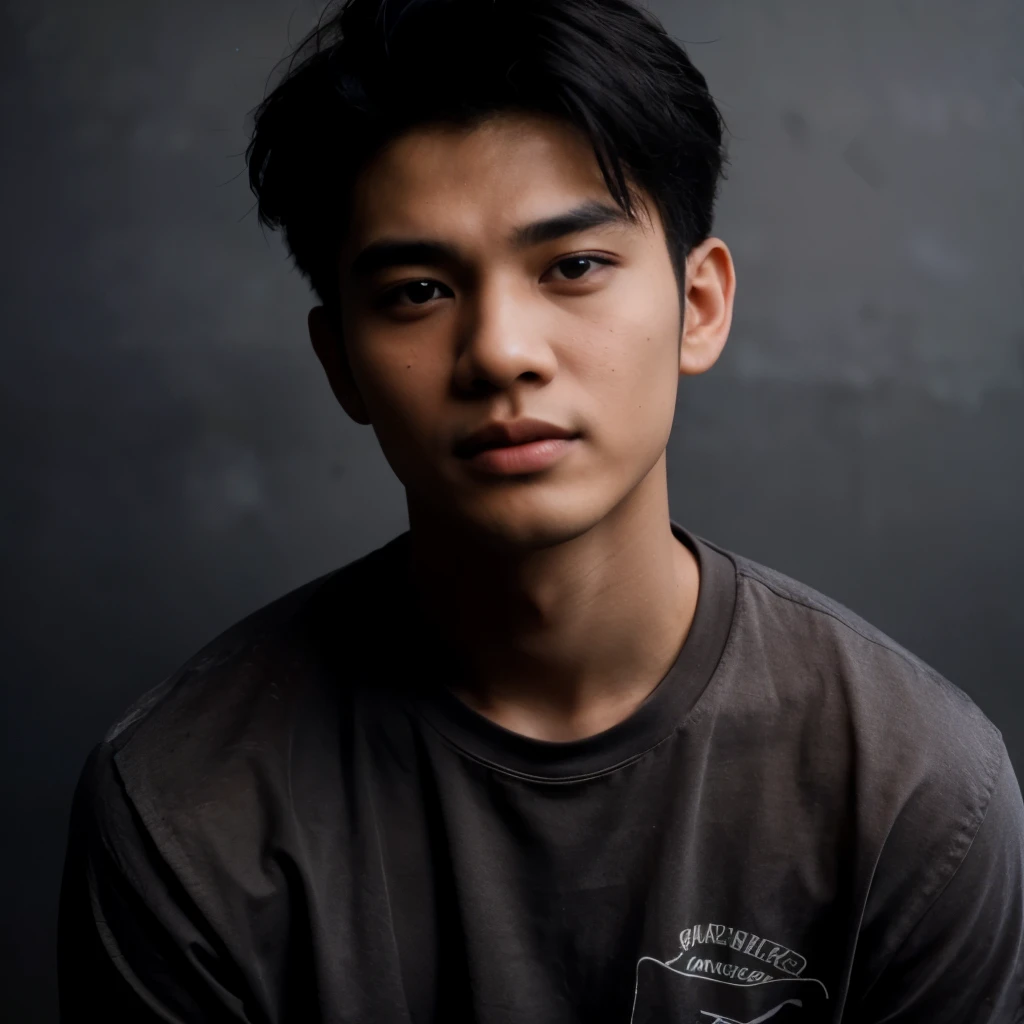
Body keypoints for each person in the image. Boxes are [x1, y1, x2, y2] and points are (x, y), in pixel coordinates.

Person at [57, 1, 1024, 1021]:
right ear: (339, 360)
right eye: (418, 290)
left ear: (699, 305)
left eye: (573, 267)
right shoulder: (181, 804)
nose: (499, 351)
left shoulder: (913, 786)